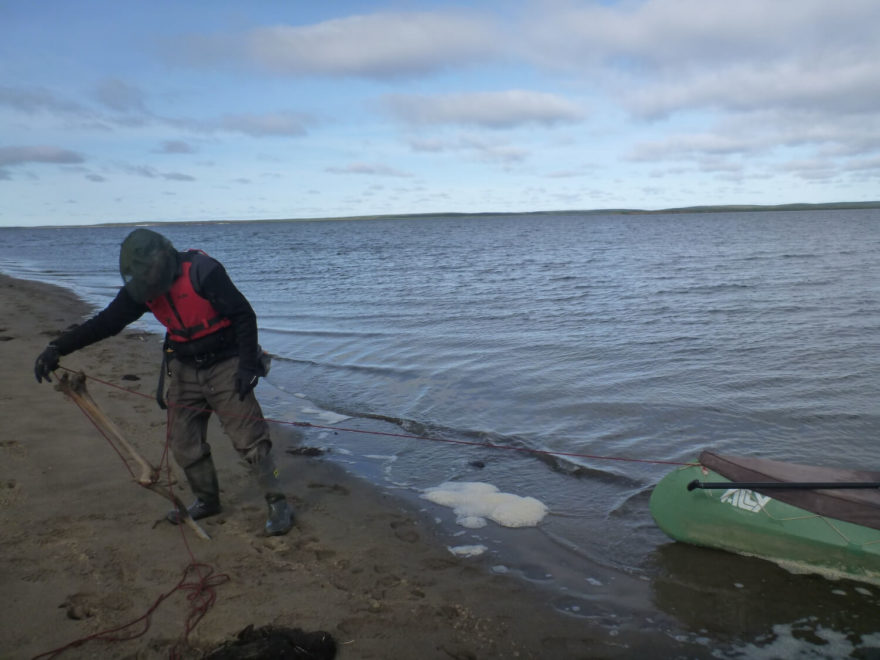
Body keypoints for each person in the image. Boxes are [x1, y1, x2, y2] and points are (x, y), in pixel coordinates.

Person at [33, 228, 293, 536]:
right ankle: (208, 500)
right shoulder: (143, 287)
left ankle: (278, 504)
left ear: (164, 258)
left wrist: (247, 365)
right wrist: (57, 348)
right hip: (184, 366)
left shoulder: (203, 272)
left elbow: (243, 315)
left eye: (149, 273)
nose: (146, 282)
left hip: (227, 361)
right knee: (183, 442)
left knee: (249, 440)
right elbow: (106, 323)